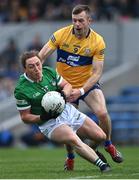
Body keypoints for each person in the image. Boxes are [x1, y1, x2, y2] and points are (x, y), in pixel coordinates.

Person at [38, 4, 123, 170]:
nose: (77, 24)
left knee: (102, 113)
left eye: (81, 21)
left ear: (89, 21)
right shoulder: (61, 34)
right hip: (65, 86)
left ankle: (108, 144)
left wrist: (82, 91)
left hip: (87, 84)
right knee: (67, 126)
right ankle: (70, 158)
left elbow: (97, 73)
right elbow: (41, 55)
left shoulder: (98, 41)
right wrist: (37, 75)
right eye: (74, 20)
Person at [14, 50, 110, 172]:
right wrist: (42, 117)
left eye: (38, 64)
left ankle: (84, 153)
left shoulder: (48, 71)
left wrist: (64, 94)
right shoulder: (21, 90)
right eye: (31, 66)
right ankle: (102, 165)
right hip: (49, 122)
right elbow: (25, 117)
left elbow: (67, 85)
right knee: (74, 139)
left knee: (100, 136)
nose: (37, 69)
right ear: (25, 69)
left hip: (67, 111)